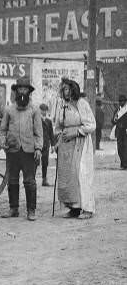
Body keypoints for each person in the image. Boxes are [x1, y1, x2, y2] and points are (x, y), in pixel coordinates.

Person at [0, 77, 43, 221]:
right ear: (16, 91)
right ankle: (13, 209)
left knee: (29, 181)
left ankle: (31, 210)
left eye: (25, 89)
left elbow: (38, 132)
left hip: (29, 150)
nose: (22, 91)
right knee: (12, 180)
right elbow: (2, 130)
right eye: (20, 89)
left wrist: (38, 148)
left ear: (29, 92)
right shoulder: (9, 109)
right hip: (12, 150)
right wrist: (3, 142)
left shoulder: (34, 110)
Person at [56, 78, 96, 219]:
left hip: (81, 143)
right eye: (63, 89)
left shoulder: (82, 103)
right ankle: (73, 208)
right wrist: (58, 138)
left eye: (67, 88)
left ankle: (87, 209)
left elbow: (91, 125)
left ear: (73, 89)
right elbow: (58, 125)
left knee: (81, 175)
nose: (64, 91)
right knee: (68, 177)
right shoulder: (62, 105)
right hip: (66, 145)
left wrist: (76, 131)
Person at [39, 103, 55, 187]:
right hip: (38, 144)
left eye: (45, 110)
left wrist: (53, 145)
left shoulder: (48, 121)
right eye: (42, 110)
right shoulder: (37, 120)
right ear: (39, 110)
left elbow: (51, 134)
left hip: (46, 144)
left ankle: (44, 180)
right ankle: (31, 180)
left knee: (45, 162)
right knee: (35, 162)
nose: (43, 112)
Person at [111, 94, 127, 168]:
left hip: (126, 131)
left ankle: (125, 164)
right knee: (119, 148)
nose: (121, 102)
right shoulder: (117, 110)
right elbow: (113, 121)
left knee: (125, 147)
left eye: (123, 101)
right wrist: (114, 120)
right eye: (120, 101)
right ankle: (123, 162)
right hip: (119, 131)